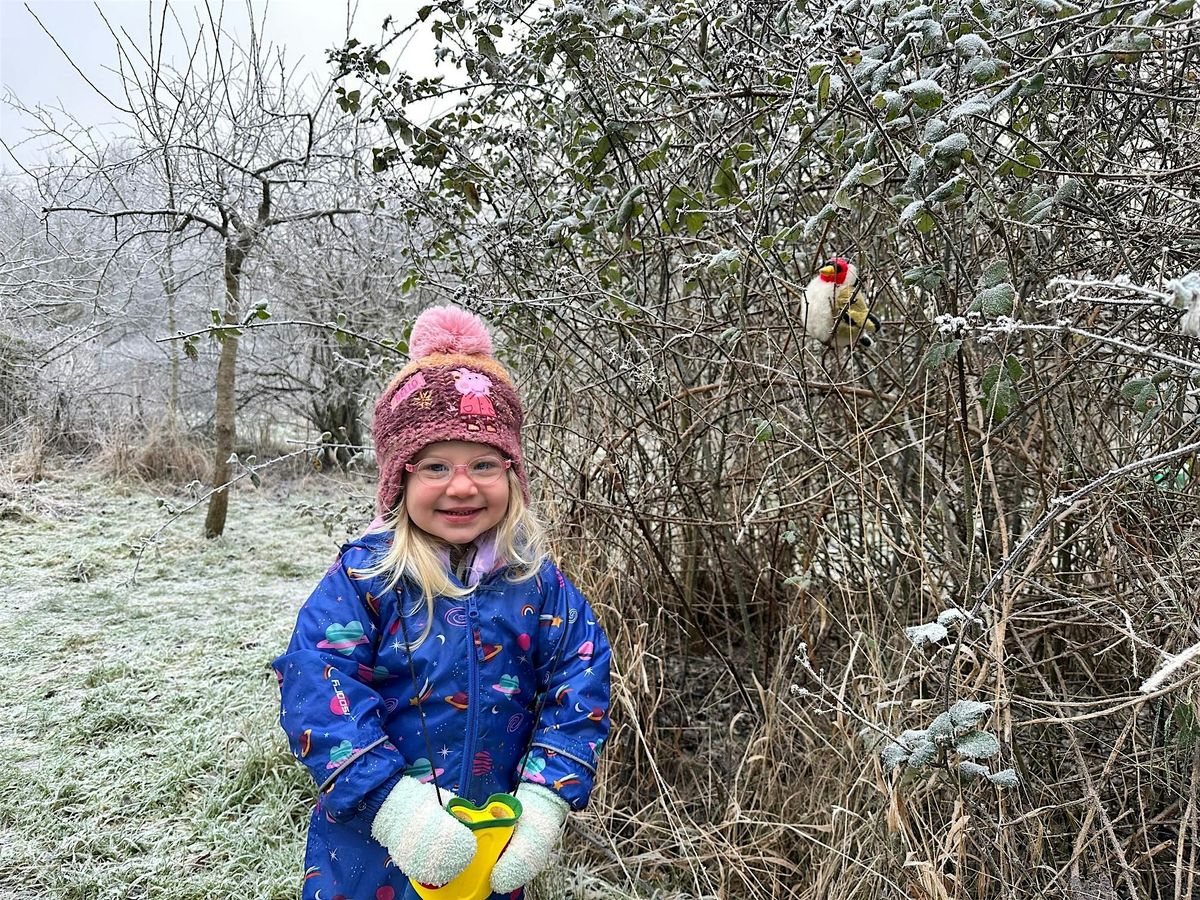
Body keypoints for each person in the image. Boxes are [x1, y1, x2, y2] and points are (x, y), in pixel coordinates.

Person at [273, 305, 612, 900]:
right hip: (368, 850)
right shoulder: (365, 580)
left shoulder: (538, 585)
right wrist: (390, 804)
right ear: (398, 482)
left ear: (514, 478)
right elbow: (318, 687)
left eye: (485, 464)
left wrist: (542, 800)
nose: (462, 486)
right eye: (435, 467)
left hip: (489, 844)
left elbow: (579, 684)